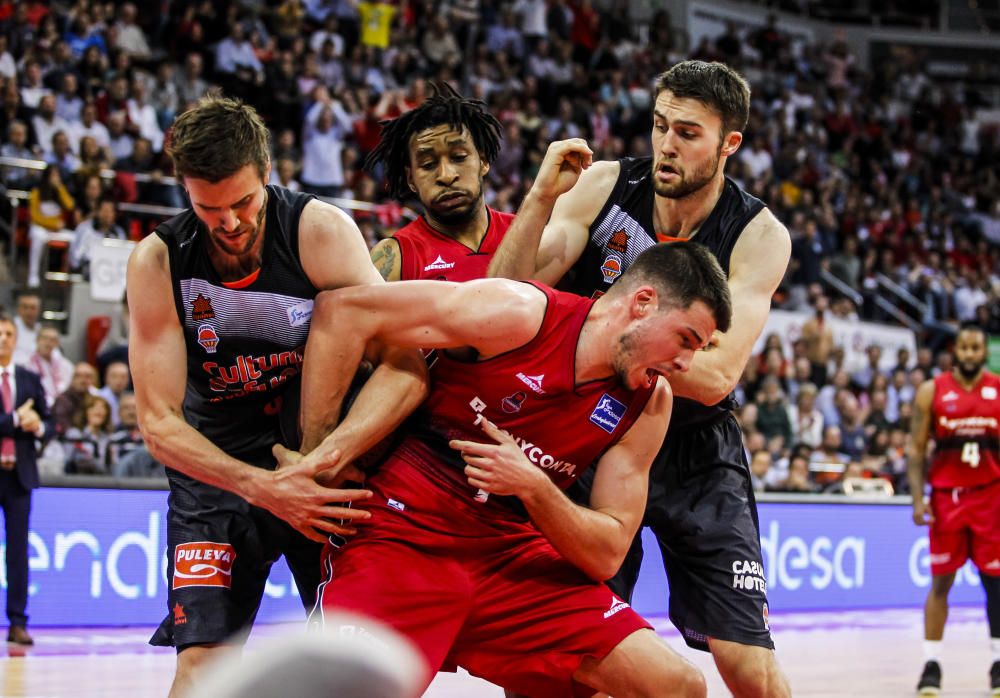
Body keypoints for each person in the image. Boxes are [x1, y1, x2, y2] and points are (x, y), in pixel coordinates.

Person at [291, 242, 732, 697]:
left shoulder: (649, 402)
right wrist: (317, 455)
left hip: (509, 554)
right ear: (643, 303)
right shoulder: (520, 313)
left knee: (680, 687)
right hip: (403, 534)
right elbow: (343, 310)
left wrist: (533, 485)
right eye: (685, 339)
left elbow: (607, 553)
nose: (686, 364)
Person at [487, 60, 792, 696]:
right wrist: (541, 198)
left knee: (748, 665)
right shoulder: (602, 185)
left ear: (728, 143)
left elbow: (713, 375)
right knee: (569, 656)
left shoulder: (759, 235)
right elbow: (507, 292)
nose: (666, 145)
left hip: (694, 447)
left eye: (687, 132)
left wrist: (606, 348)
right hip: (594, 437)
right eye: (659, 127)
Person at [126, 93, 426, 698]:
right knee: (201, 667)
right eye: (209, 208)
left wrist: (324, 459)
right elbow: (158, 423)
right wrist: (264, 487)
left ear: (266, 171)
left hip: (319, 458)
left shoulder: (320, 231)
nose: (230, 223)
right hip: (217, 470)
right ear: (184, 187)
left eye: (242, 201)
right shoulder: (158, 260)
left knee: (353, 658)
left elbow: (405, 367)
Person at [909, 323, 1000, 696]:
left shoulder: (998, 390)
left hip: (991, 497)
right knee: (941, 581)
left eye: (975, 347)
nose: (968, 353)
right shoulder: (932, 391)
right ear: (954, 351)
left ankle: (998, 662)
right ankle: (932, 665)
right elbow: (916, 451)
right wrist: (918, 499)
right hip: (948, 499)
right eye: (962, 347)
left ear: (984, 351)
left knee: (996, 584)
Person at [364, 83, 512, 281]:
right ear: (411, 179)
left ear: (483, 162)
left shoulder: (531, 235)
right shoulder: (394, 258)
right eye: (428, 164)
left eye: (458, 157)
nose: (446, 175)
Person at [0, 314, 51, 645]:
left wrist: (39, 428)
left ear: (17, 339)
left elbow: (48, 421)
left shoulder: (30, 378)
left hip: (19, 476)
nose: (3, 338)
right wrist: (18, 418)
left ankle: (18, 622)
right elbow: (16, 419)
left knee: (18, 552)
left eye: (8, 333)